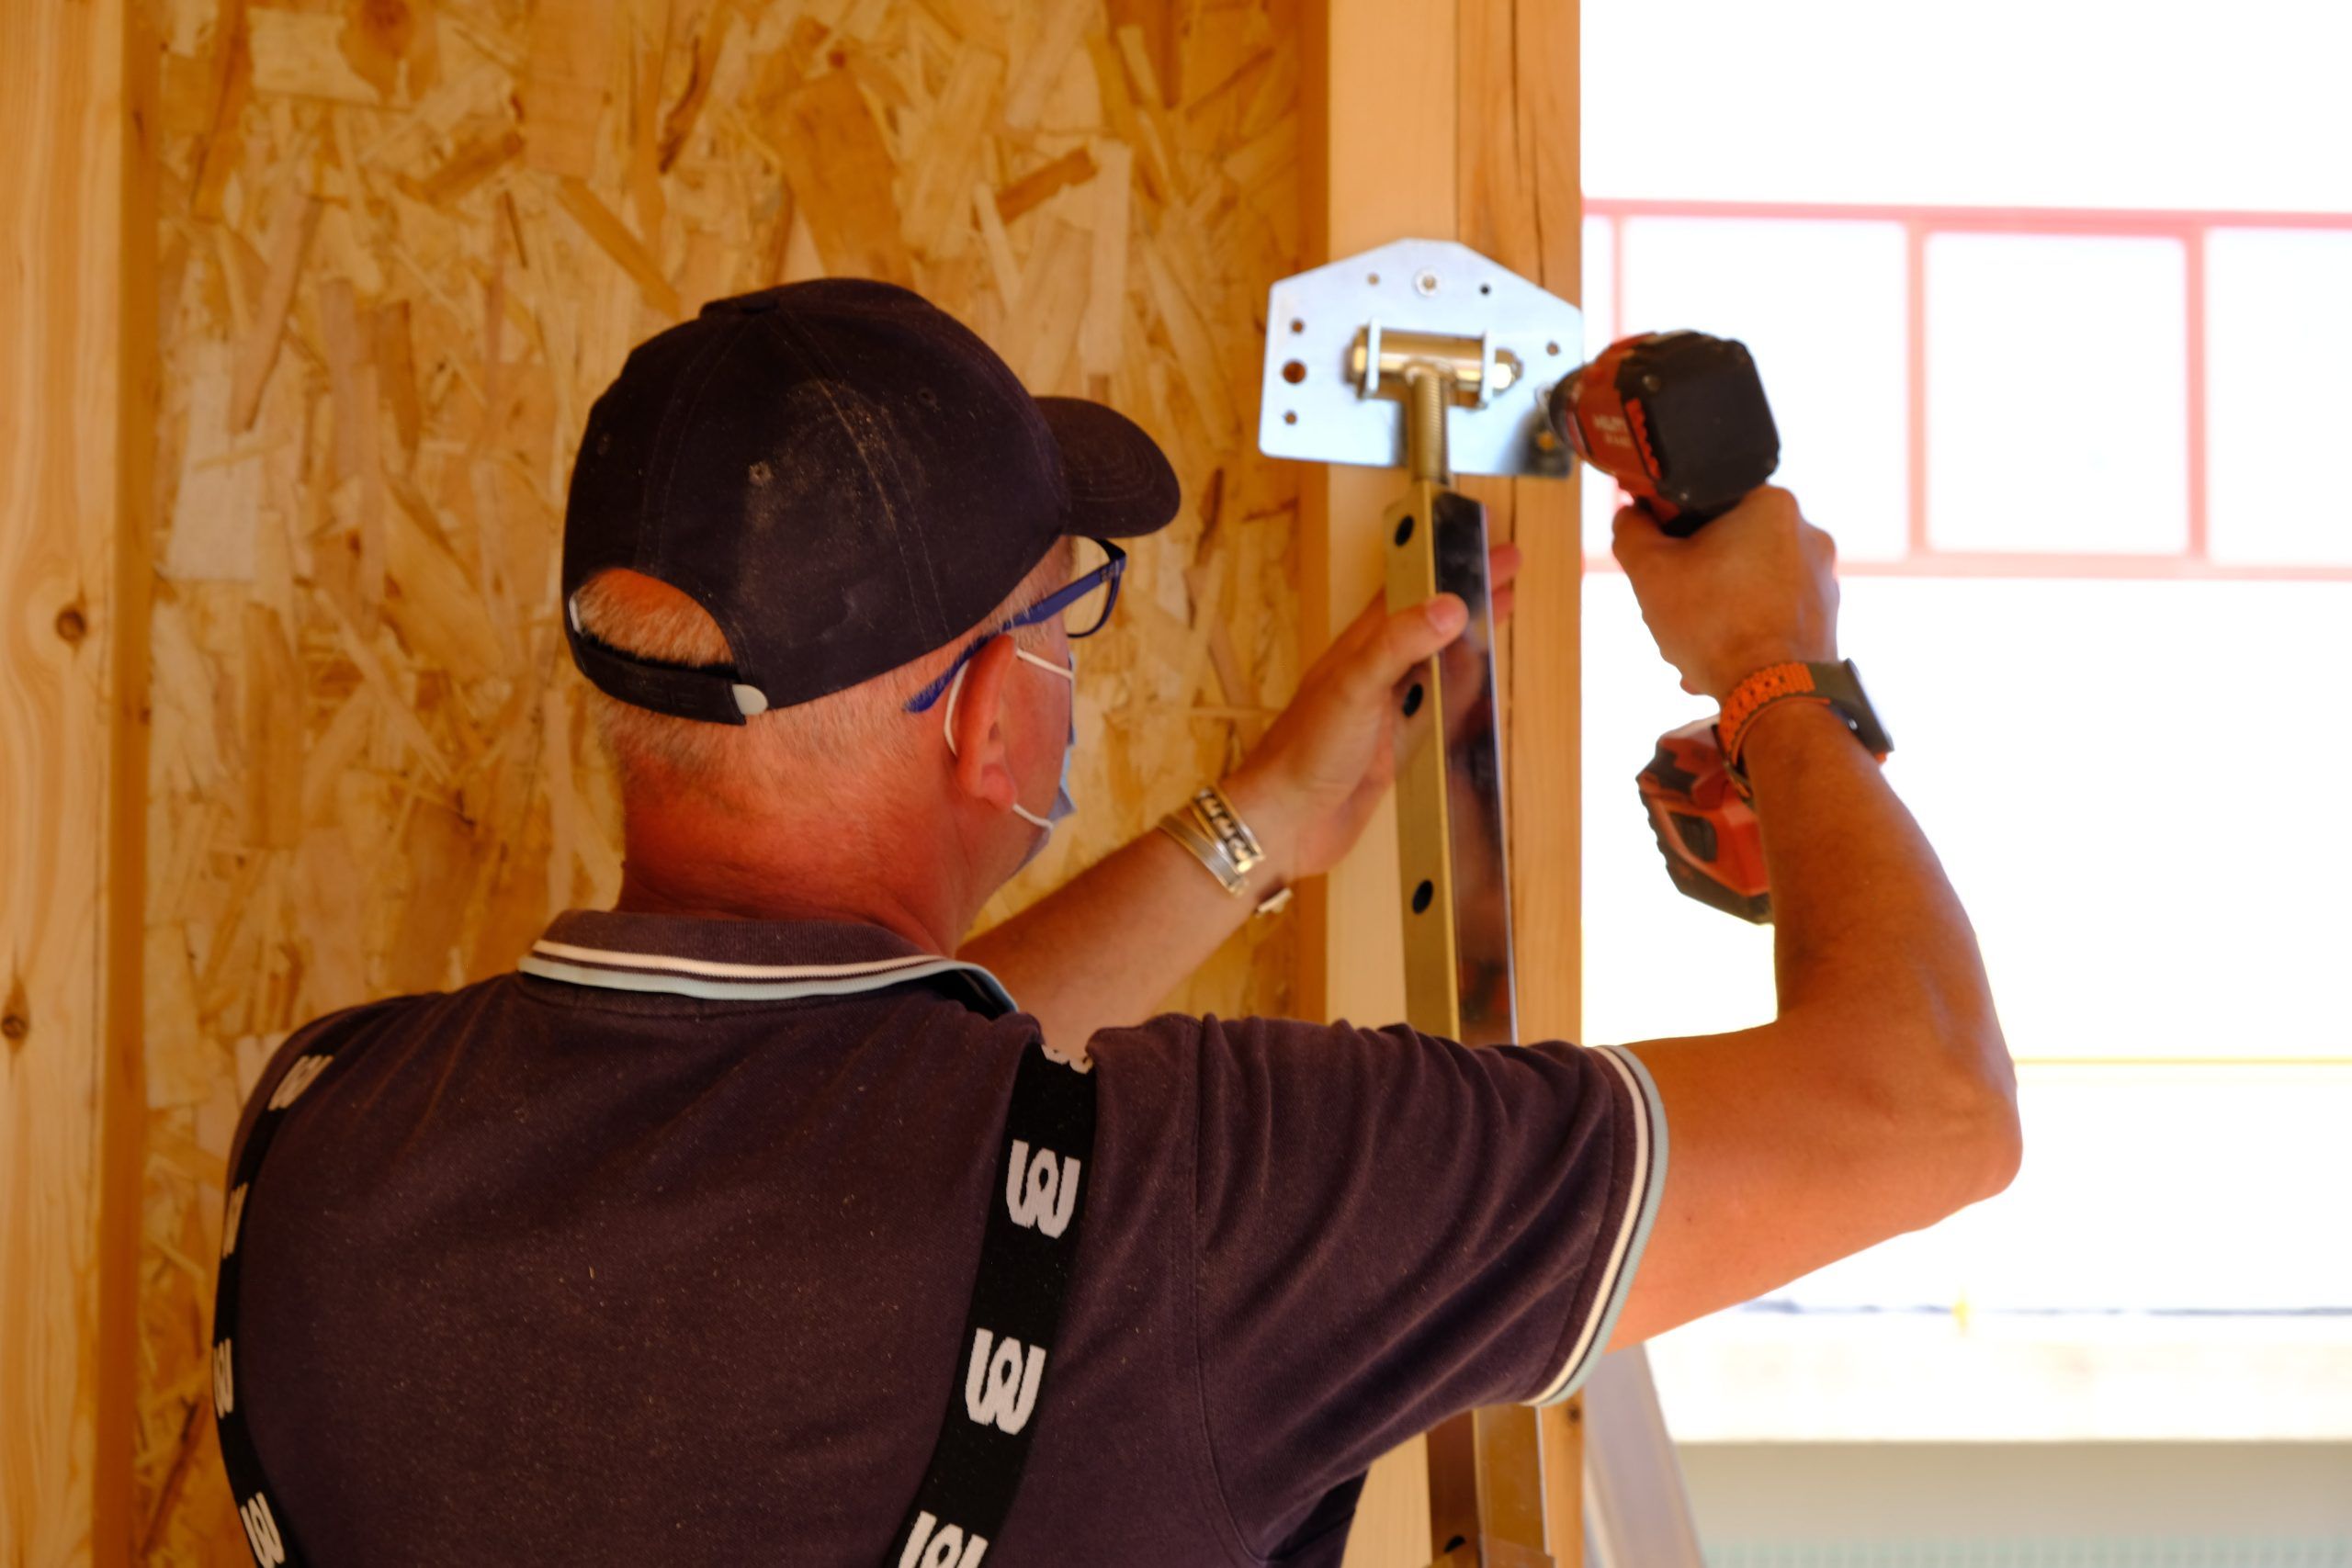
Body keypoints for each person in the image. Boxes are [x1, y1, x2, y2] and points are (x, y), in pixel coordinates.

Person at [211, 279, 2018, 1567]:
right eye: (1060, 618)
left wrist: (1241, 836)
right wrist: (1767, 667)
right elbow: (1923, 1101)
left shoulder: (325, 1137)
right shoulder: (1211, 1203)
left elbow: (847, 1101)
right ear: (988, 713)